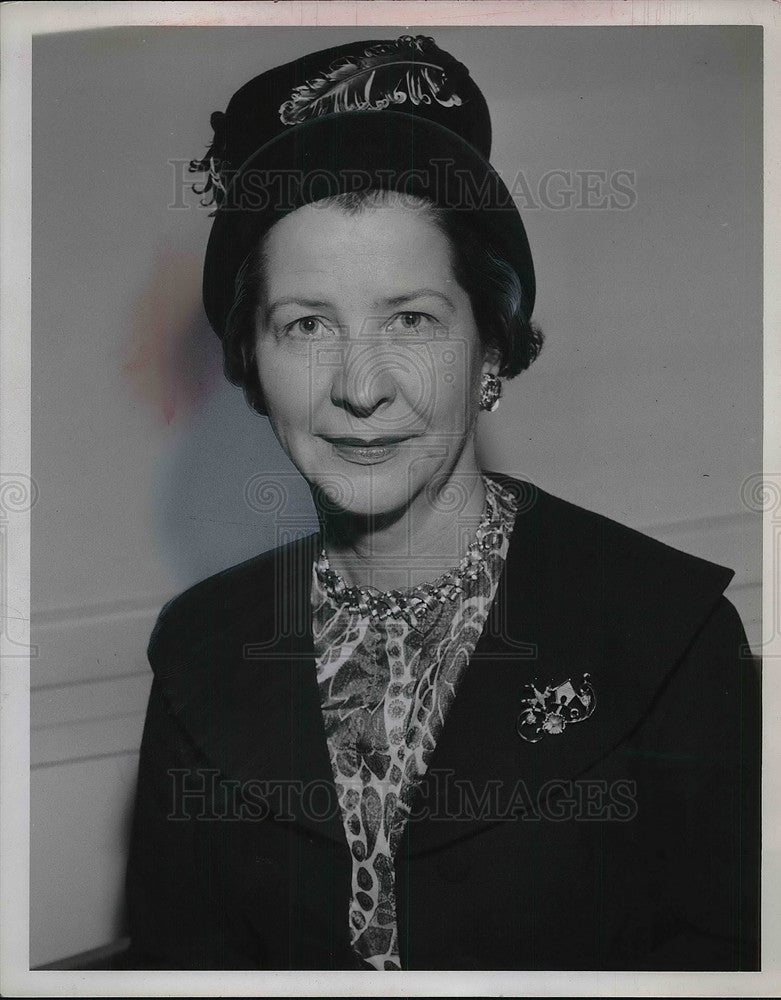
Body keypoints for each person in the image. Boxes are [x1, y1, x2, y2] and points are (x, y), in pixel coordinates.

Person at [125, 35, 760, 971]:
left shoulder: (664, 632)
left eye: (411, 319)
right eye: (305, 325)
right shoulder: (199, 650)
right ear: (253, 368)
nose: (360, 386)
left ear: (491, 349)